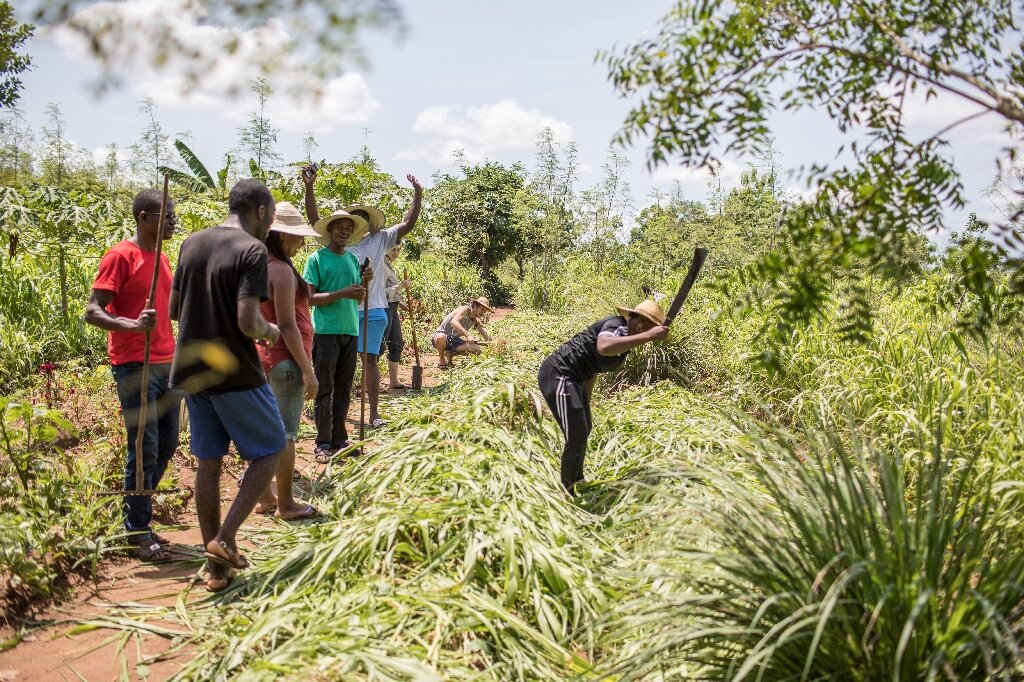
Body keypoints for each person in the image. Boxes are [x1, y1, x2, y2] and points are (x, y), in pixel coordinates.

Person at [169, 179, 286, 592]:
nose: (270, 224)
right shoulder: (251, 250)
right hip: (235, 371)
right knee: (270, 448)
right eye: (271, 215)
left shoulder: (191, 243)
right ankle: (226, 538)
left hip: (192, 370)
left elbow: (172, 308)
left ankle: (216, 570)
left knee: (209, 463)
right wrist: (269, 330)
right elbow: (247, 321)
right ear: (258, 210)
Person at [85, 189, 182, 562]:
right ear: (144, 217)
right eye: (167, 214)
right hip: (134, 364)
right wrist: (131, 325)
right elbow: (93, 311)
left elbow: (166, 311)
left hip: (166, 362)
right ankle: (137, 531)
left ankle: (135, 513)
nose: (173, 220)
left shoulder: (162, 258)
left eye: (174, 214)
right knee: (144, 445)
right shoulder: (120, 255)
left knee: (168, 443)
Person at [304, 167, 423, 429]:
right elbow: (314, 219)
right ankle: (327, 412)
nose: (353, 225)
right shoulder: (339, 244)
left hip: (373, 308)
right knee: (331, 364)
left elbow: (407, 224)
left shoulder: (380, 240)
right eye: (349, 220)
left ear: (366, 224)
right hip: (339, 312)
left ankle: (373, 413)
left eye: (359, 221)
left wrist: (418, 195)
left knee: (369, 360)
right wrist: (309, 187)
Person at [537, 300, 670, 495]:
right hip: (559, 374)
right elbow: (604, 347)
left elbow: (593, 368)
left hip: (576, 379)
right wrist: (648, 336)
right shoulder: (616, 326)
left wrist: (585, 403)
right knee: (577, 433)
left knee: (584, 427)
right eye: (649, 327)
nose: (648, 335)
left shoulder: (627, 341)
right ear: (640, 322)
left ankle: (577, 479)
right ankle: (567, 490)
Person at [253, 202, 321, 520]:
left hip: (266, 359)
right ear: (281, 236)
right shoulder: (279, 270)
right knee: (286, 434)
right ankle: (286, 504)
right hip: (285, 361)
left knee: (265, 431)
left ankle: (266, 498)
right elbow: (287, 325)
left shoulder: (262, 265)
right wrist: (308, 370)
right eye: (296, 237)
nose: (301, 243)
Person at [300, 165, 371, 462]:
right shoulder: (317, 258)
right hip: (326, 331)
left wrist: (363, 283)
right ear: (329, 230)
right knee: (325, 388)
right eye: (339, 227)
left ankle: (341, 439)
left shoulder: (354, 260)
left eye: (348, 228)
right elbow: (310, 299)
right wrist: (345, 293)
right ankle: (323, 442)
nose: (344, 231)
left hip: (350, 330)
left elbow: (357, 296)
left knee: (344, 388)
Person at [432, 297, 494, 369]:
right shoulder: (465, 309)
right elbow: (454, 322)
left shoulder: (475, 319)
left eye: (484, 311)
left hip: (454, 341)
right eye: (482, 309)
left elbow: (484, 334)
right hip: (440, 338)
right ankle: (441, 358)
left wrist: (494, 344)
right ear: (475, 306)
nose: (483, 313)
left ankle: (450, 354)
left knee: (478, 349)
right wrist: (468, 335)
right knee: (441, 337)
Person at [380, 245, 410, 390]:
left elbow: (390, 292)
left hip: (393, 307)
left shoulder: (389, 266)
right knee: (380, 344)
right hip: (383, 309)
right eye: (393, 249)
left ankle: (393, 381)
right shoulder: (381, 266)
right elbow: (378, 292)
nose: (396, 253)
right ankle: (367, 380)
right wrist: (399, 286)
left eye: (398, 250)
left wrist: (401, 302)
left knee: (397, 342)